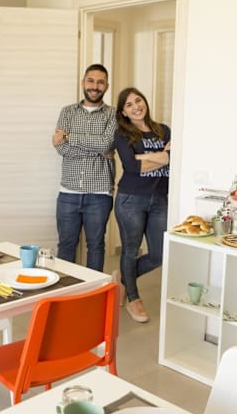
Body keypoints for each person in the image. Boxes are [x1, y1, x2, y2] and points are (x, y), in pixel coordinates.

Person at [112, 87, 171, 323]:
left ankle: (123, 279)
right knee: (131, 250)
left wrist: (142, 157)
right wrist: (162, 156)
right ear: (123, 113)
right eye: (129, 105)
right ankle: (133, 298)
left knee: (159, 255)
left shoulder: (163, 130)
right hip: (131, 199)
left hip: (160, 199)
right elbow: (131, 167)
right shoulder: (122, 134)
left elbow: (173, 159)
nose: (136, 106)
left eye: (138, 100)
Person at [52, 64, 117, 271]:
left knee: (96, 246)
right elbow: (61, 148)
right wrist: (98, 149)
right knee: (66, 246)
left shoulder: (113, 114)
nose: (95, 86)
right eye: (91, 81)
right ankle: (66, 288)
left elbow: (106, 144)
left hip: (99, 194)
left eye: (100, 82)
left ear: (106, 86)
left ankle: (94, 290)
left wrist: (70, 137)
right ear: (83, 83)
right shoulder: (67, 112)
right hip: (68, 192)